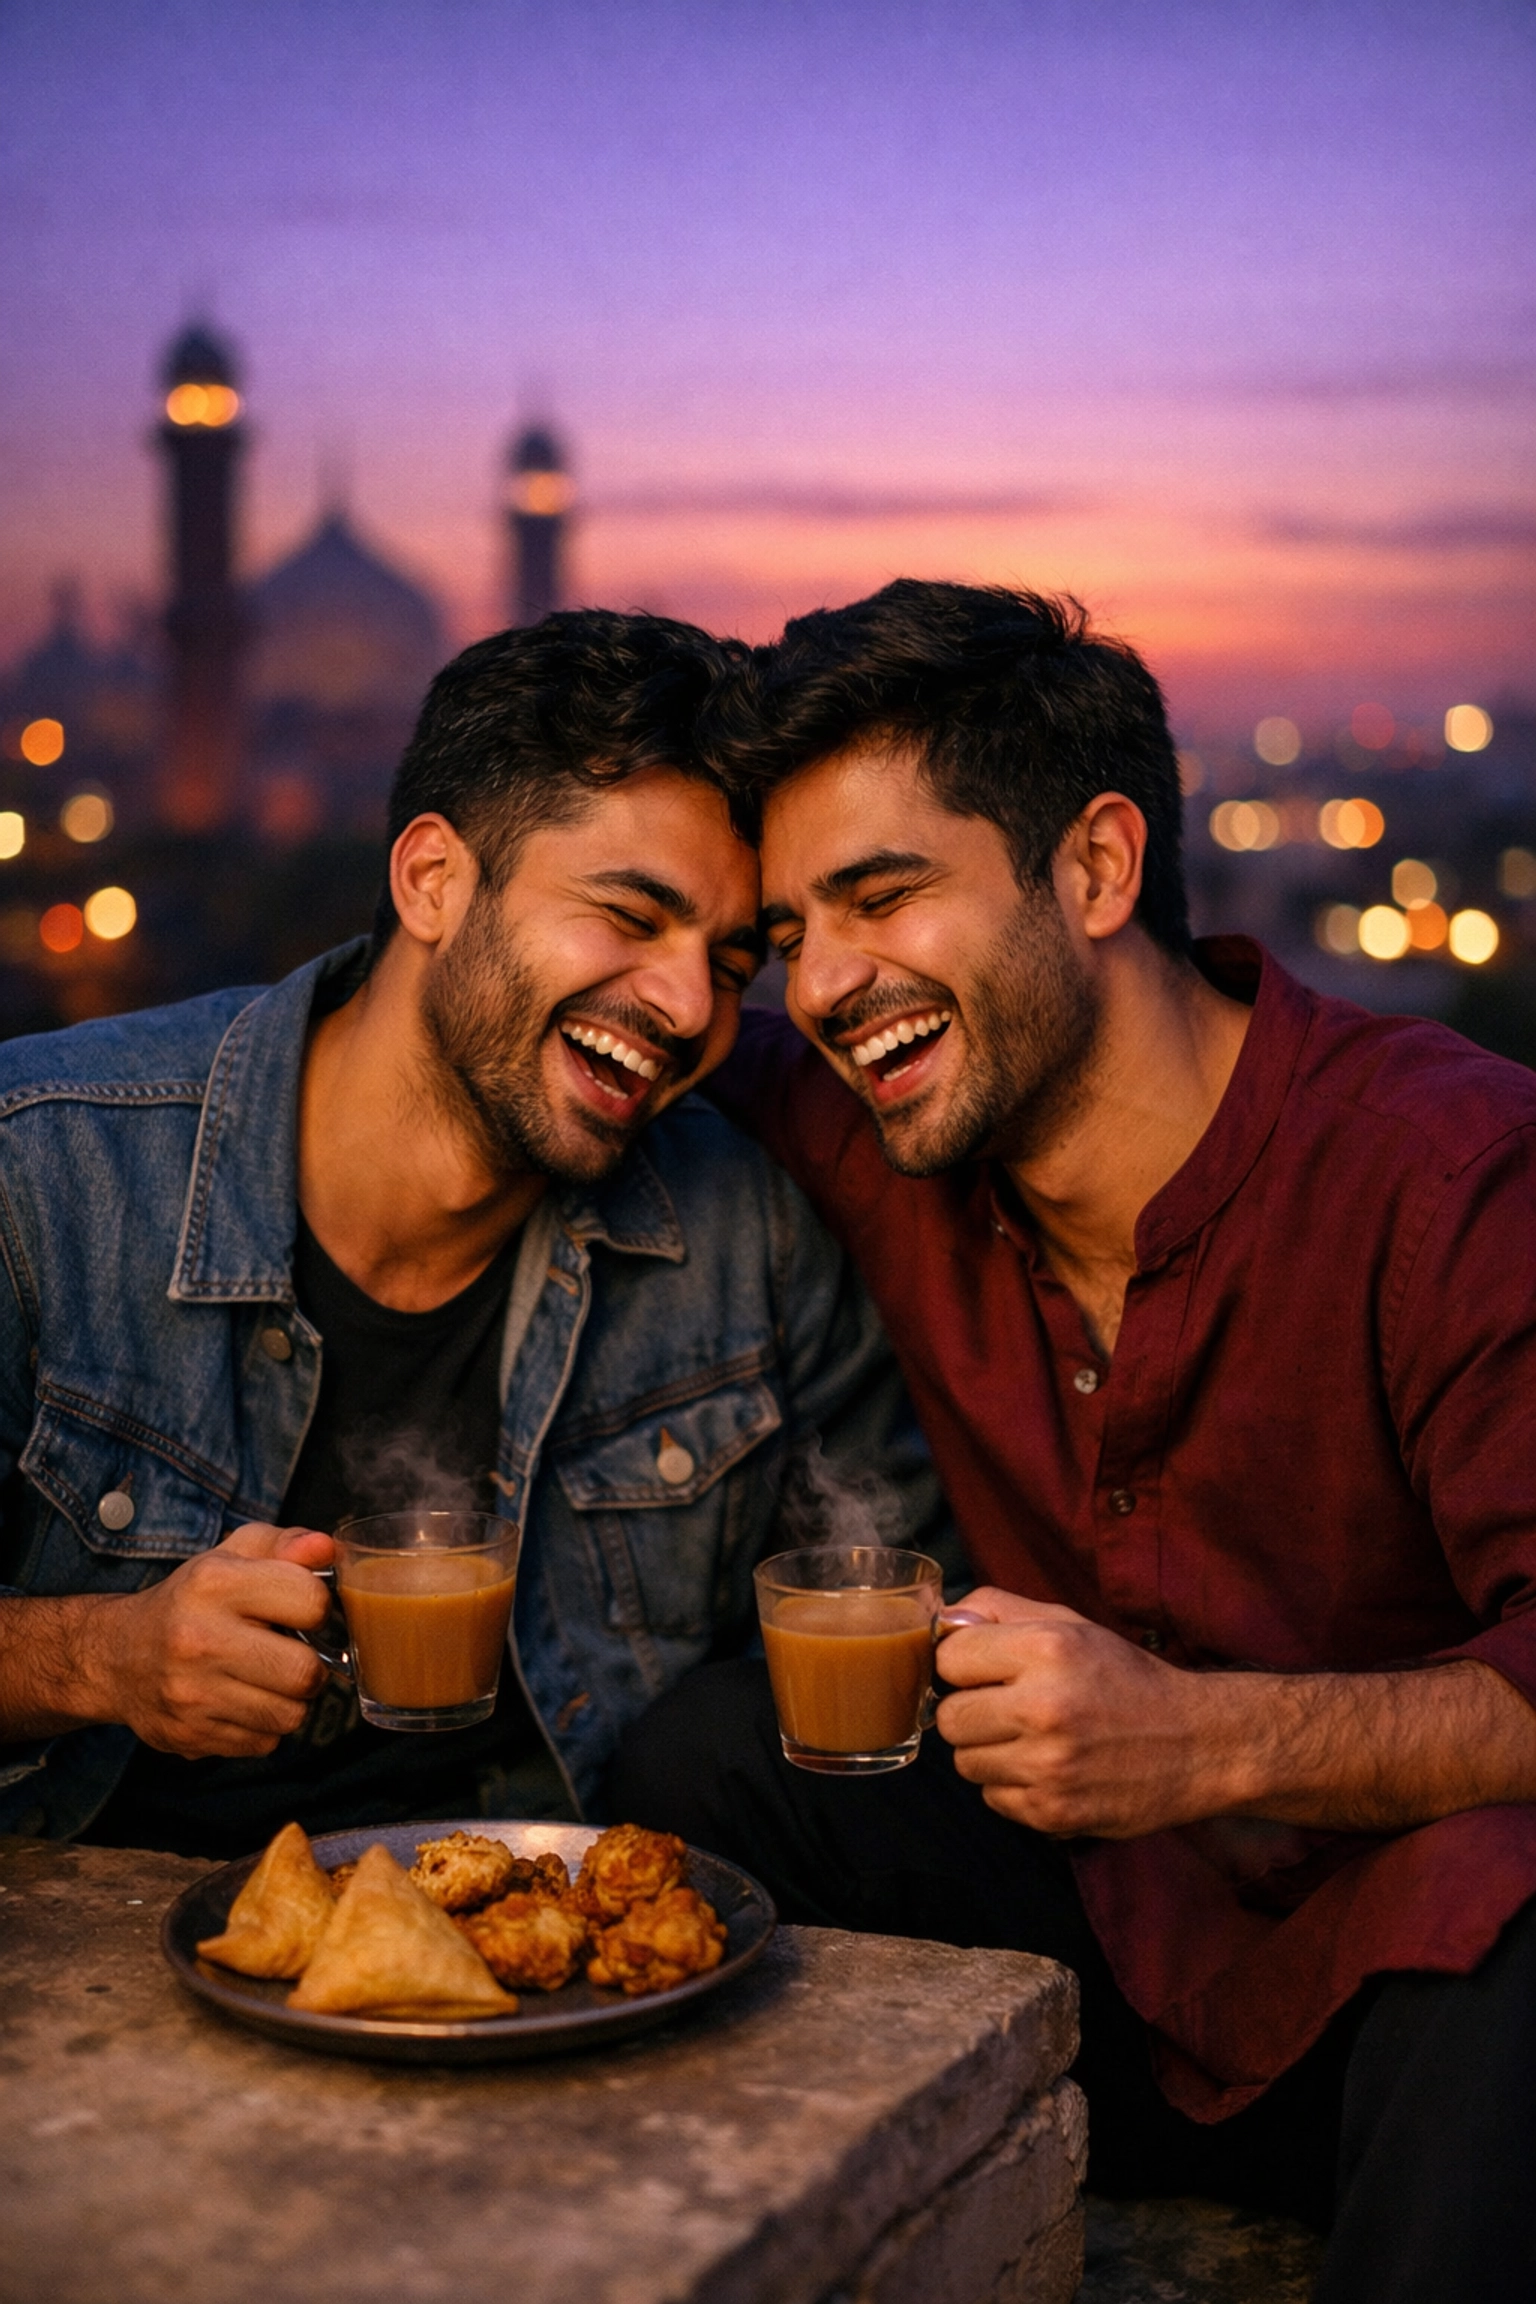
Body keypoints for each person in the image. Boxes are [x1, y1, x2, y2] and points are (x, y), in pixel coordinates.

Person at [611, 581, 1536, 2301]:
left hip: (1403, 2025)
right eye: (790, 928)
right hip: (1093, 1954)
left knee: (1516, 1894)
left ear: (1097, 868)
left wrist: (1195, 1740)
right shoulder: (875, 1119)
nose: (822, 983)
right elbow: (581, 1031)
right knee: (721, 1752)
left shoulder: (1450, 1177)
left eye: (883, 895)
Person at [0, 609, 946, 1860]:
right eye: (627, 914)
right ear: (433, 880)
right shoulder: (49, 1171)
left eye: (729, 962)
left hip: (558, 1969)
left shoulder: (745, 1233)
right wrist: (100, 1658)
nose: (685, 1006)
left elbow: (900, 1615)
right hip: (110, 1966)